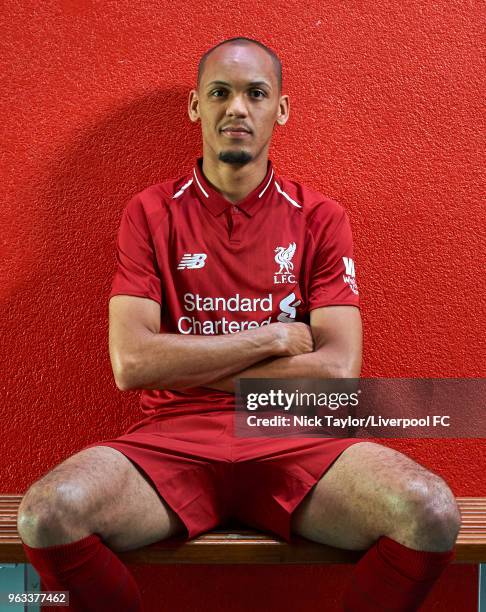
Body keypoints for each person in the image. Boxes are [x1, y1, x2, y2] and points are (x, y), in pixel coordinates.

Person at [18, 37, 461, 611]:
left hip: (294, 437)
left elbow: (338, 376)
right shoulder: (150, 212)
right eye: (220, 93)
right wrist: (273, 338)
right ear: (195, 106)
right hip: (173, 440)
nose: (237, 109)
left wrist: (186, 361)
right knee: (46, 514)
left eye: (255, 94)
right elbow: (132, 365)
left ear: (280, 108)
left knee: (430, 511)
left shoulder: (321, 218)